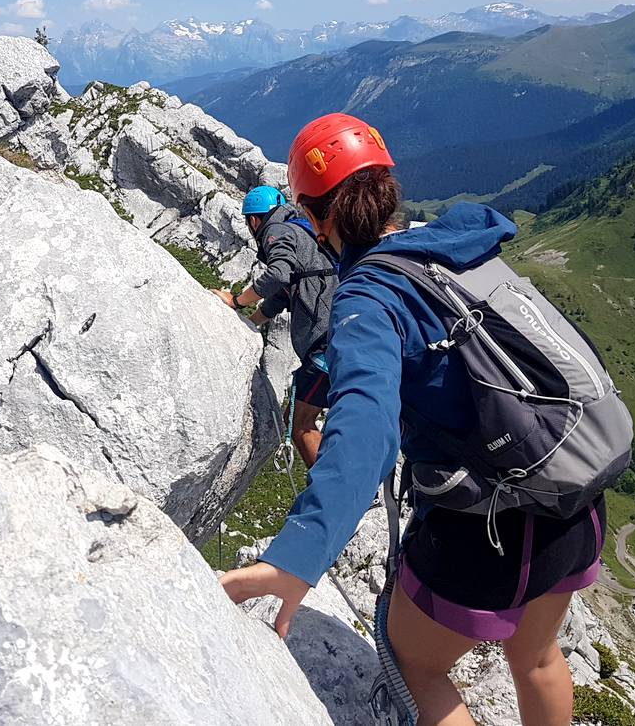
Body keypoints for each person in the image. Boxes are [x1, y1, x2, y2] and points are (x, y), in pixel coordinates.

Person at [221, 113, 603, 726]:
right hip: (571, 491)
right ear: (389, 188)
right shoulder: (454, 244)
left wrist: (299, 555)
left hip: (490, 526)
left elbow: (367, 428)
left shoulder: (368, 300)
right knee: (535, 658)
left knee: (417, 666)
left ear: (316, 218)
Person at [211, 185, 336, 468]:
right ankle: (360, 486)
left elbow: (278, 275)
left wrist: (237, 301)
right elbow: (281, 296)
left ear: (254, 220)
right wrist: (249, 322)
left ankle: (334, 493)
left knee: (300, 421)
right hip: (341, 336)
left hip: (326, 345)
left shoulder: (276, 232)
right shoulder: (303, 232)